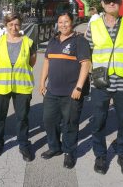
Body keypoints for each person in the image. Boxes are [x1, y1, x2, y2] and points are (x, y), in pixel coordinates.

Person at [86, 0, 123, 176]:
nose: (111, 4)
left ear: (120, 3)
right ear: (102, 3)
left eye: (114, 1)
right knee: (99, 119)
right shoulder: (93, 26)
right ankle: (100, 155)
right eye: (108, 1)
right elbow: (88, 52)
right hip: (101, 81)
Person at [39, 12, 91, 169]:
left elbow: (85, 64)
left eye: (66, 22)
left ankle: (69, 152)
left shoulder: (79, 41)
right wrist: (42, 82)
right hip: (52, 91)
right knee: (49, 121)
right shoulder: (53, 41)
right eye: (60, 22)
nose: (63, 25)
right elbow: (47, 62)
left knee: (70, 124)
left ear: (72, 22)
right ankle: (55, 147)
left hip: (71, 92)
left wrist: (79, 87)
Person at [0, 12, 36, 162]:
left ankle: (23, 145)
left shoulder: (28, 42)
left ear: (20, 25)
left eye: (16, 24)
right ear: (6, 25)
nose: (14, 27)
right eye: (10, 24)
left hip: (22, 86)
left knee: (22, 118)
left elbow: (32, 62)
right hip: (1, 87)